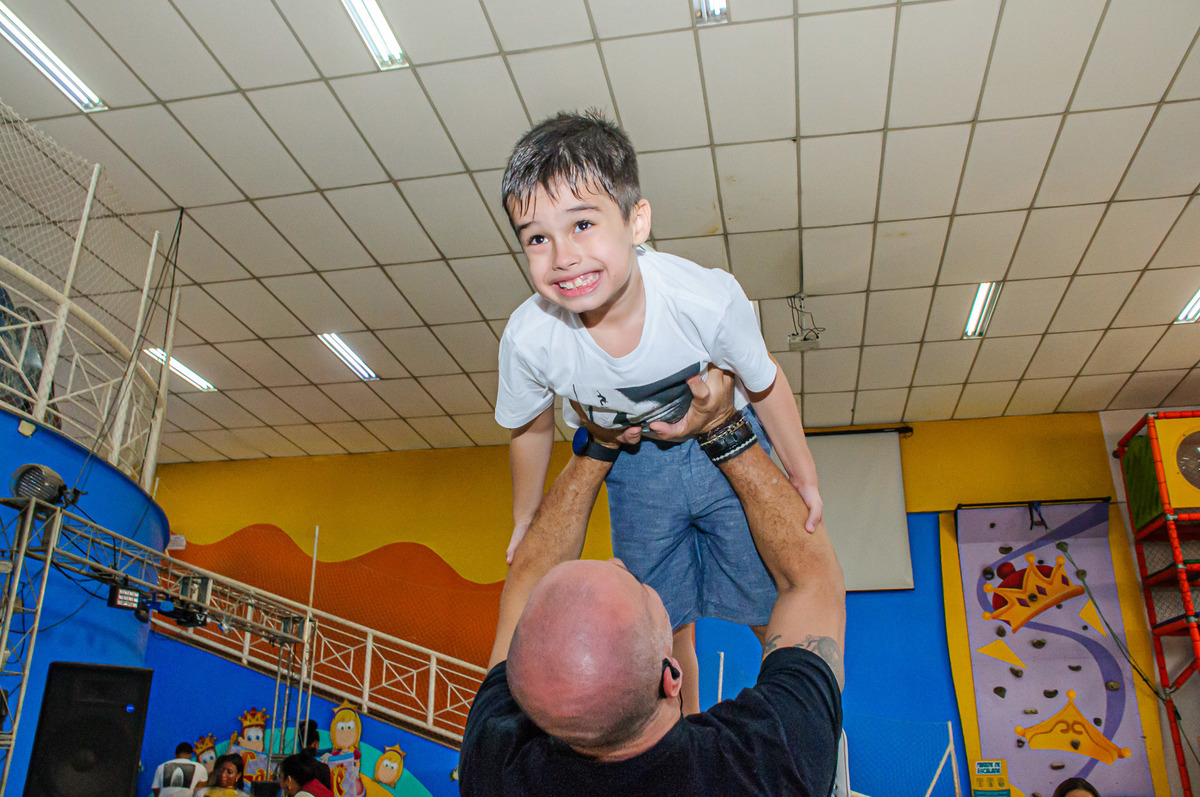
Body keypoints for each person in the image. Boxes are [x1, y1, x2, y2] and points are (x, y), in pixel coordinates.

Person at [495, 110, 824, 713]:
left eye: (584, 223)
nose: (563, 256)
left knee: (771, 598)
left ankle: (810, 730)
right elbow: (529, 424)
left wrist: (801, 474)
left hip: (721, 451)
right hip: (634, 466)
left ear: (636, 222)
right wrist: (526, 514)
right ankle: (680, 738)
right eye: (537, 237)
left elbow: (766, 380)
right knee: (664, 626)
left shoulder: (704, 298)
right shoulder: (530, 336)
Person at [461, 366, 845, 795]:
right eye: (639, 589)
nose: (618, 562)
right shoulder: (768, 764)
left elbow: (528, 574)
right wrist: (723, 425)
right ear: (671, 678)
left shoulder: (499, 769)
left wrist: (598, 443)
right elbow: (812, 582)